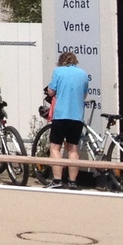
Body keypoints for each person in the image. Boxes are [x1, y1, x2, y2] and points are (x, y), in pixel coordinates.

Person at [46, 50, 91, 188]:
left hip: (60, 115)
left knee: (55, 147)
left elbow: (51, 91)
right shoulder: (83, 74)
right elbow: (84, 95)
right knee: (73, 148)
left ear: (61, 61)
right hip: (77, 116)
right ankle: (72, 182)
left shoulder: (58, 72)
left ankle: (57, 180)